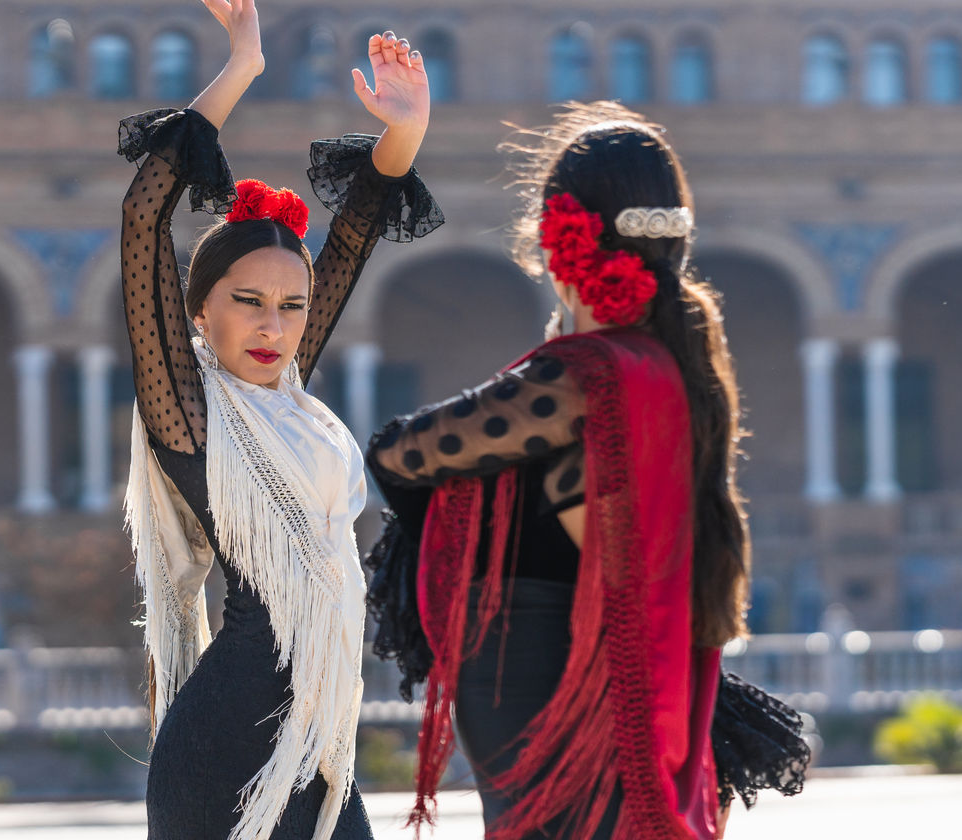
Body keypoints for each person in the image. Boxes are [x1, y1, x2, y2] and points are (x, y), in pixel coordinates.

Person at [363, 102, 807, 840]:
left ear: (555, 238)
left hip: (549, 704)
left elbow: (399, 453)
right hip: (586, 707)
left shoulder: (581, 379)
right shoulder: (664, 366)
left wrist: (560, 346)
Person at [117, 1, 442, 837]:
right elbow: (145, 214)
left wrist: (406, 128)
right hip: (227, 751)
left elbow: (360, 226)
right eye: (249, 303)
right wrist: (243, 67)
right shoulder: (188, 413)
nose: (274, 326)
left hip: (318, 745)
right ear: (200, 311)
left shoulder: (290, 403)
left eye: (293, 307)